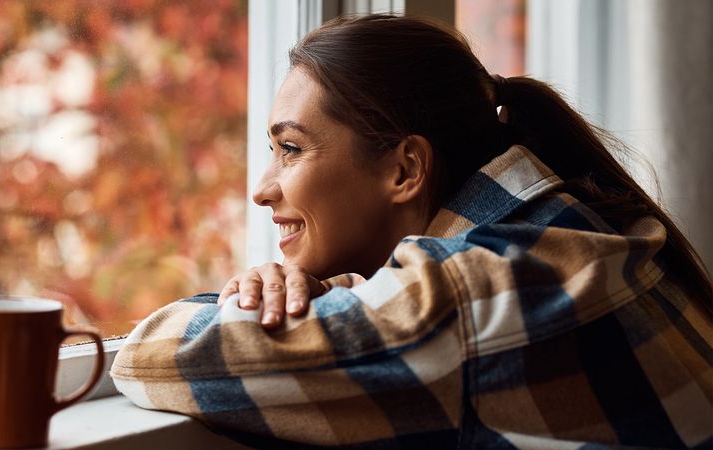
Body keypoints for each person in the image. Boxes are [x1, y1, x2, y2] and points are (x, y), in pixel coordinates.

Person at [109, 14, 713, 449]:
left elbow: (146, 356)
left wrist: (254, 303)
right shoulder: (581, 226)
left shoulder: (467, 299)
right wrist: (327, 293)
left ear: (404, 169)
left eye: (291, 148)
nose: (262, 188)